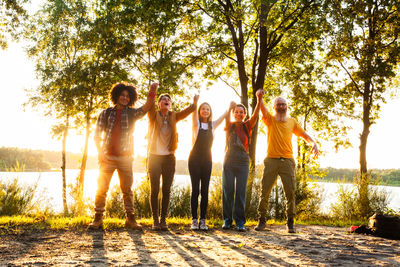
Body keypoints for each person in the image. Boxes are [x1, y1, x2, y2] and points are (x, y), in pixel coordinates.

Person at [89, 82, 158, 230]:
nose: (125, 98)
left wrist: (152, 91)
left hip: (125, 158)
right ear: (116, 96)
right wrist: (100, 153)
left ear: (130, 98)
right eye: (122, 95)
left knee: (127, 190)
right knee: (101, 188)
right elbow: (96, 136)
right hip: (107, 158)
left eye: (128, 96)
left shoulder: (132, 114)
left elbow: (146, 106)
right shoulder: (106, 113)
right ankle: (98, 218)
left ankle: (130, 218)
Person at [255, 96, 319, 233]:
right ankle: (261, 221)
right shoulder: (270, 120)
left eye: (283, 104)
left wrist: (314, 143)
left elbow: (304, 135)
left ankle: (290, 222)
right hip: (271, 160)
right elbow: (263, 110)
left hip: (288, 161)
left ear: (287, 106)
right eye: (278, 104)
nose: (281, 106)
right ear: (274, 107)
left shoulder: (292, 122)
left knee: (290, 193)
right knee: (264, 192)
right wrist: (259, 98)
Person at [147, 93, 198, 230]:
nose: (166, 101)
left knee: (167, 189)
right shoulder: (153, 115)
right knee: (154, 189)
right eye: (163, 99)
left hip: (169, 157)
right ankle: (155, 220)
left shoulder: (174, 116)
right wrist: (153, 91)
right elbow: (149, 104)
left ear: (170, 104)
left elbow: (187, 112)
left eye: (168, 100)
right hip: (154, 157)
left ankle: (163, 220)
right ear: (159, 104)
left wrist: (194, 103)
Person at [189, 101, 235, 230]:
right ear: (199, 111)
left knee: (204, 191)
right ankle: (194, 220)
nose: (205, 111)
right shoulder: (196, 124)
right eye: (203, 109)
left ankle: (202, 220)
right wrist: (195, 102)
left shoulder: (212, 125)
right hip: (194, 160)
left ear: (210, 112)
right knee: (195, 190)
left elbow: (223, 116)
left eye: (207, 109)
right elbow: (193, 115)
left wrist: (230, 107)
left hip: (207, 160)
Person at [222, 90, 263, 231]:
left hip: (243, 161)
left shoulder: (247, 125)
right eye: (236, 112)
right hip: (229, 159)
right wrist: (229, 107)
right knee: (228, 190)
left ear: (244, 114)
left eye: (241, 112)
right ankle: (227, 220)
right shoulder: (230, 125)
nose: (239, 114)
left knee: (240, 192)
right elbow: (226, 118)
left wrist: (259, 99)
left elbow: (256, 114)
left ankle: (240, 222)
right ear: (234, 114)